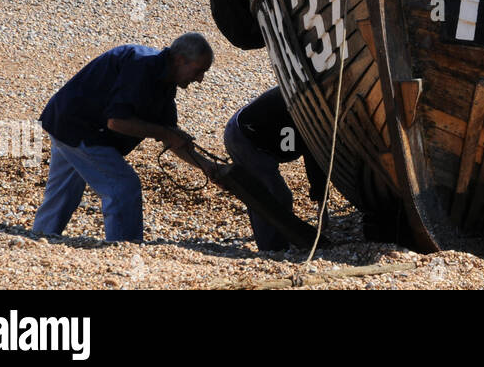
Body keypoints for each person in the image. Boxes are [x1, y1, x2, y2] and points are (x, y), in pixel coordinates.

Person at [32, 33, 218, 242]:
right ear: (180, 60)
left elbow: (172, 139)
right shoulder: (142, 67)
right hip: (79, 128)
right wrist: (167, 134)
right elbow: (117, 122)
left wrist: (207, 166)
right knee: (123, 186)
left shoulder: (165, 82)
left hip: (62, 120)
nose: (200, 79)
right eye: (199, 70)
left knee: (62, 194)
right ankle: (123, 250)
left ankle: (38, 239)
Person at [223, 86, 327, 251]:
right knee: (272, 194)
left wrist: (321, 197)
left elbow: (313, 154)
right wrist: (321, 198)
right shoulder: (308, 107)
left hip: (255, 134)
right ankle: (272, 249)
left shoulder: (311, 102)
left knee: (272, 192)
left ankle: (277, 244)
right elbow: (313, 153)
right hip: (243, 137)